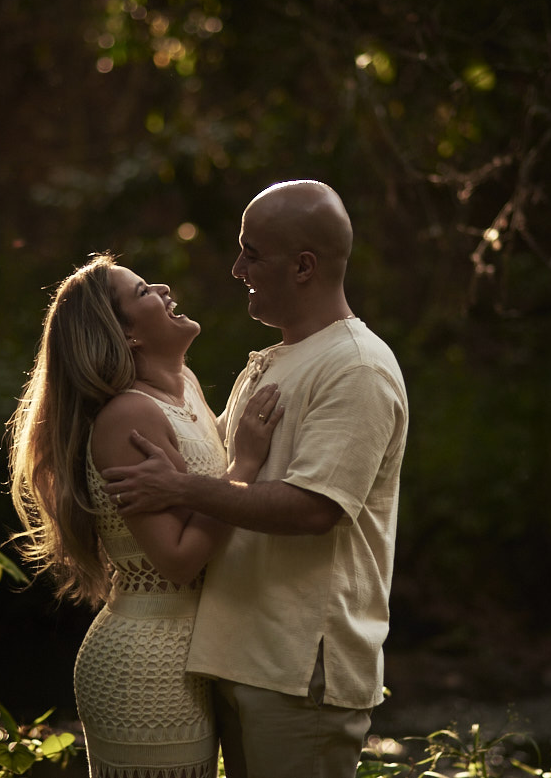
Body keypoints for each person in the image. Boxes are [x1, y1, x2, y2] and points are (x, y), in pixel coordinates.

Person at [102, 180, 410, 778]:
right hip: (237, 656)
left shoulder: (357, 367)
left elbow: (314, 510)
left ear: (303, 267)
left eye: (252, 253)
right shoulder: (274, 359)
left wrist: (182, 489)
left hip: (299, 669)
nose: (237, 267)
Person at [6, 252, 284, 778]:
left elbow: (203, 491)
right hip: (146, 661)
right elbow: (177, 561)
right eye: (142, 293)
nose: (162, 287)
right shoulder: (128, 416)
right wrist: (242, 466)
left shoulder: (188, 389)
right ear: (127, 335)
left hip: (200, 652)